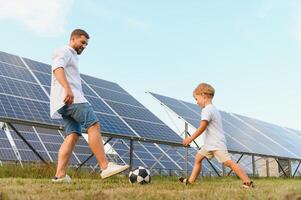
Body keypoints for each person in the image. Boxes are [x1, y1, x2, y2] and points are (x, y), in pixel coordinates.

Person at [50, 29, 129, 182]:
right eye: (82, 42)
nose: (84, 46)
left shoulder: (71, 55)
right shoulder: (65, 51)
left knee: (71, 136)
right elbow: (57, 68)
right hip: (72, 99)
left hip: (62, 102)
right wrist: (67, 88)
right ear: (73, 39)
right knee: (93, 125)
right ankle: (105, 166)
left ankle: (59, 176)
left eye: (86, 44)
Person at [180, 83, 254, 188]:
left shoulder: (207, 110)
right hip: (209, 144)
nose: (196, 102)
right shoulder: (213, 109)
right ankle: (190, 182)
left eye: (196, 99)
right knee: (198, 159)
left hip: (216, 143)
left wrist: (190, 138)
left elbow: (203, 126)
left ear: (203, 95)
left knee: (228, 163)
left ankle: (247, 182)